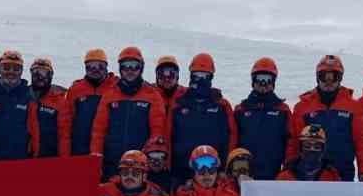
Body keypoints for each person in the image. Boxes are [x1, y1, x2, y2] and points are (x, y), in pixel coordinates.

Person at [91, 45, 167, 177]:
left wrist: (152, 160)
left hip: (140, 166)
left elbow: (157, 132)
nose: (130, 70)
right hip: (111, 163)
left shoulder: (152, 95)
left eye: (134, 66)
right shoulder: (109, 95)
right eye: (126, 66)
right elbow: (98, 131)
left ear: (141, 68)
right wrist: (96, 159)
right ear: (120, 68)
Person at [289, 55, 361, 182]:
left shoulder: (353, 107)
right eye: (324, 77)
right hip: (312, 171)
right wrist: (290, 164)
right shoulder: (303, 107)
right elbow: (294, 140)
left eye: (334, 77)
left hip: (343, 171)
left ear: (340, 79)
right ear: (317, 78)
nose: (328, 81)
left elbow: (362, 141)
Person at [169, 53, 236, 181]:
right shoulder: (178, 104)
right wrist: (169, 167)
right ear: (191, 76)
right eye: (197, 75)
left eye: (205, 76)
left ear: (211, 77)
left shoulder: (221, 105)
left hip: (212, 171)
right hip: (181, 171)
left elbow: (232, 136)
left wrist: (226, 168)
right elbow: (168, 135)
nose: (200, 79)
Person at [233, 57, 292, 180]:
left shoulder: (283, 111)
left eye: (268, 80)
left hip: (273, 173)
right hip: (244, 173)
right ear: (253, 81)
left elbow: (290, 142)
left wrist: (288, 168)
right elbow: (232, 140)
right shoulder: (241, 110)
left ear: (273, 82)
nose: (263, 84)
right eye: (260, 79)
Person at [0, 49, 35, 159]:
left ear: (21, 71)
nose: (11, 72)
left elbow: (35, 130)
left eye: (16, 69)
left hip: (20, 156)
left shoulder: (29, 95)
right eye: (6, 68)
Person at [67, 48, 115, 156]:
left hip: (109, 148)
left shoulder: (116, 87)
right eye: (90, 67)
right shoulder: (75, 89)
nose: (95, 70)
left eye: (100, 66)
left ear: (106, 67)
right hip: (80, 148)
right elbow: (68, 121)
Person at [27, 57, 69, 157]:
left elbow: (64, 136)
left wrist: (64, 160)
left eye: (45, 73)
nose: (40, 77)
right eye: (36, 73)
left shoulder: (60, 101)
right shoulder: (22, 96)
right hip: (26, 157)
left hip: (50, 158)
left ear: (51, 76)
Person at [278, 124, 343, 181]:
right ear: (301, 148)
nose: (312, 149)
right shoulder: (285, 175)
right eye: (307, 146)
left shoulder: (332, 176)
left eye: (317, 146)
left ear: (323, 150)